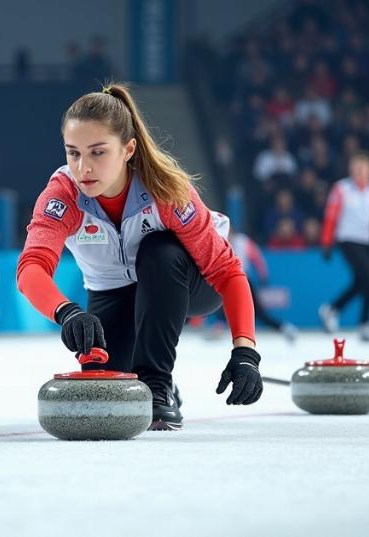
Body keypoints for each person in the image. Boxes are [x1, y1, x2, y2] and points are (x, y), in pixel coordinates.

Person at [16, 83, 262, 432]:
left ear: (128, 149)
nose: (83, 167)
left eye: (98, 152)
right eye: (73, 153)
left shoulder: (165, 190)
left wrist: (245, 353)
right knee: (107, 387)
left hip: (189, 280)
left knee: (159, 250)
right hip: (114, 292)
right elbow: (31, 267)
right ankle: (154, 382)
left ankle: (158, 386)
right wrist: (66, 311)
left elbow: (227, 272)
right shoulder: (63, 194)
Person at [318, 151, 369, 341]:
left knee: (362, 282)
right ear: (351, 169)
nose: (360, 172)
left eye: (364, 168)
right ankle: (365, 324)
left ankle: (332, 309)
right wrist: (326, 242)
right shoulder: (341, 189)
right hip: (347, 239)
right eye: (357, 168)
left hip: (367, 241)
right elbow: (331, 217)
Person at [229, 229, 299, 342]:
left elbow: (256, 257)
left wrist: (262, 275)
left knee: (257, 312)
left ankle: (283, 328)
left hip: (242, 281)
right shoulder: (220, 239)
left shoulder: (242, 241)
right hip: (224, 280)